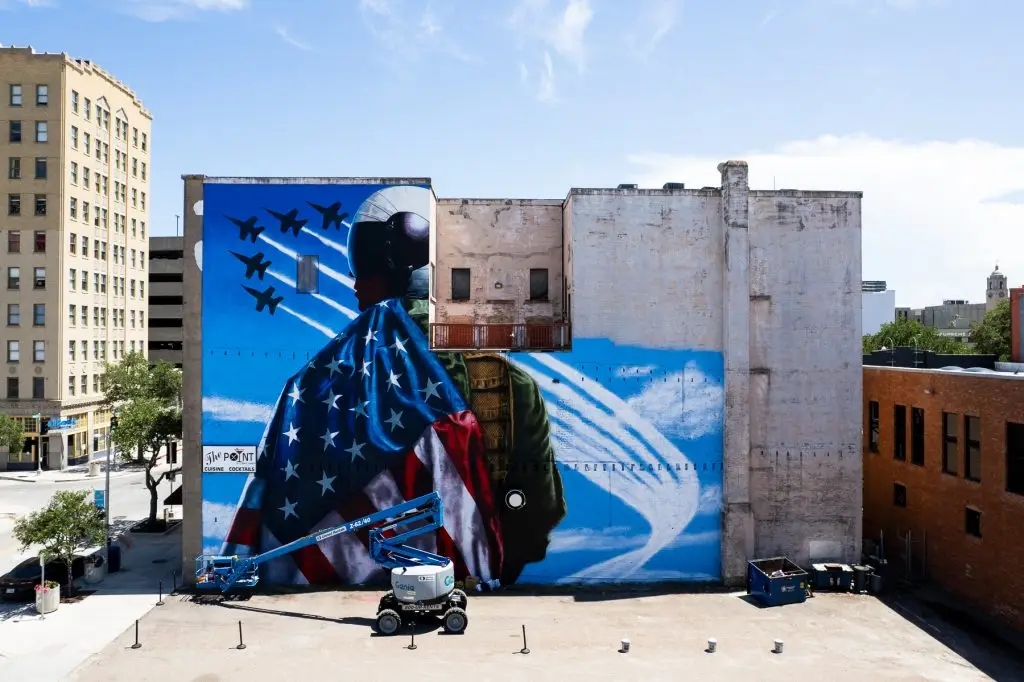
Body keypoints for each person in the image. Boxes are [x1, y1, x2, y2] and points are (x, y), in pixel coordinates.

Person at [221, 186, 566, 586]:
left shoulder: (313, 384)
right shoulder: (514, 385)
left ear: (386, 265)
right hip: (473, 593)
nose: (353, 287)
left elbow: (274, 509)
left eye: (363, 271)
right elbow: (538, 516)